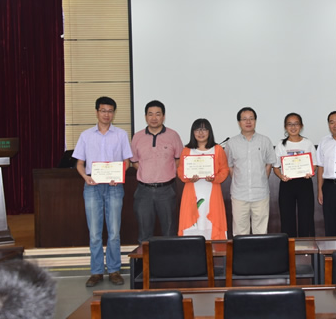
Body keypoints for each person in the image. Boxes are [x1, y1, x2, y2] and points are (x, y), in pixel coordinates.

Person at [72, 96, 132, 287]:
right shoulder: (86, 135)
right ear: (97, 111)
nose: (107, 114)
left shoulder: (121, 135)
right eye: (103, 110)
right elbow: (79, 164)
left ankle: (114, 270)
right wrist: (85, 177)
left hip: (114, 187)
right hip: (92, 186)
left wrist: (119, 175)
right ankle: (96, 271)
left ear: (114, 113)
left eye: (110, 111)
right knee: (95, 233)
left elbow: (127, 162)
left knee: (114, 232)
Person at [130, 100, 184, 244]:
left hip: (167, 190)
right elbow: (134, 161)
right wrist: (147, 173)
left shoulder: (173, 135)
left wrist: (164, 172)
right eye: (150, 114)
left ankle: (169, 259)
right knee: (144, 233)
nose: (154, 118)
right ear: (145, 116)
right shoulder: (137, 137)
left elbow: (179, 159)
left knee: (169, 231)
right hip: (143, 191)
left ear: (163, 116)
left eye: (158, 114)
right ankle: (146, 260)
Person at [225, 107, 276, 235]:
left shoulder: (265, 141)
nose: (248, 122)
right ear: (239, 122)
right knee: (240, 232)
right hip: (239, 194)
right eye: (244, 119)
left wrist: (261, 179)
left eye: (251, 119)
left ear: (255, 121)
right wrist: (239, 181)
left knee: (261, 232)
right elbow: (230, 166)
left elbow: (269, 164)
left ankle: (260, 250)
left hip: (260, 194)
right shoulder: (231, 143)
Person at [177, 118, 229, 239]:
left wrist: (215, 178)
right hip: (192, 191)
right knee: (193, 223)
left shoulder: (217, 149)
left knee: (211, 222)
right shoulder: (187, 150)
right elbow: (180, 171)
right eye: (197, 130)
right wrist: (189, 178)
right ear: (193, 132)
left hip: (211, 191)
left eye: (204, 129)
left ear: (209, 132)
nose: (201, 133)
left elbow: (224, 170)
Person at [273, 113, 317, 237]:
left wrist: (310, 172)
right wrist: (281, 176)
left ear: (301, 126)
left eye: (296, 124)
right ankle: (289, 245)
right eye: (290, 124)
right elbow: (275, 167)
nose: (293, 127)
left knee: (306, 217)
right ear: (285, 127)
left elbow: (314, 164)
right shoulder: (281, 144)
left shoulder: (308, 143)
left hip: (304, 182)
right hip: (287, 183)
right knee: (287, 217)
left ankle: (307, 245)